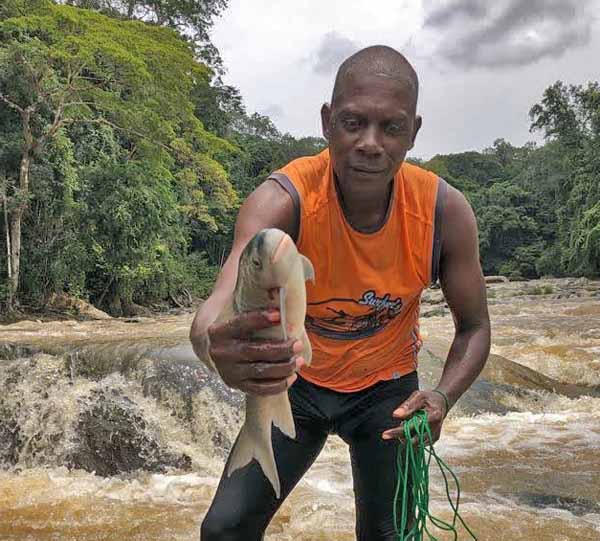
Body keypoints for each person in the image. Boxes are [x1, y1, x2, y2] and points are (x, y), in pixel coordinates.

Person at [189, 45, 491, 541]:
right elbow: (218, 303)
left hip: (388, 392)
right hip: (295, 386)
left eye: (391, 127)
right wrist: (210, 343)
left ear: (413, 131)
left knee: (389, 537)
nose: (370, 143)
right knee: (224, 530)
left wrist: (441, 395)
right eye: (353, 122)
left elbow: (476, 327)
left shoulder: (444, 211)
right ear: (328, 121)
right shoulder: (283, 199)